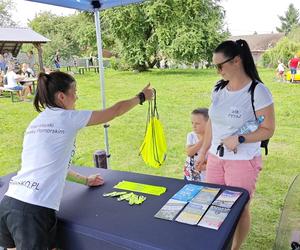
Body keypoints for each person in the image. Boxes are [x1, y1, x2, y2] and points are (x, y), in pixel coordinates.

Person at [0, 71, 153, 250]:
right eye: (75, 92)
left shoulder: (36, 123)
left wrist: (85, 180)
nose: (77, 97)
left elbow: (53, 166)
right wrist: (141, 97)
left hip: (9, 203)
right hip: (34, 210)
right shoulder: (67, 118)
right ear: (62, 96)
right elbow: (114, 111)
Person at [196, 39, 275, 250]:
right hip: (215, 158)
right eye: (215, 66)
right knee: (215, 205)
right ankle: (217, 245)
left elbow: (268, 129)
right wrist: (204, 150)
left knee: (238, 210)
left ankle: (235, 248)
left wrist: (239, 139)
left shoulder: (258, 91)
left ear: (237, 61)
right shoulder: (218, 88)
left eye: (220, 66)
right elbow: (213, 120)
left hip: (242, 161)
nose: (217, 71)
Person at [183, 108, 209, 182]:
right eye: (192, 123)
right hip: (190, 175)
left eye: (197, 123)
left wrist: (206, 166)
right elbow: (189, 152)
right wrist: (204, 139)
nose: (194, 126)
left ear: (208, 124)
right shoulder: (191, 135)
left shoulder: (214, 139)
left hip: (206, 175)